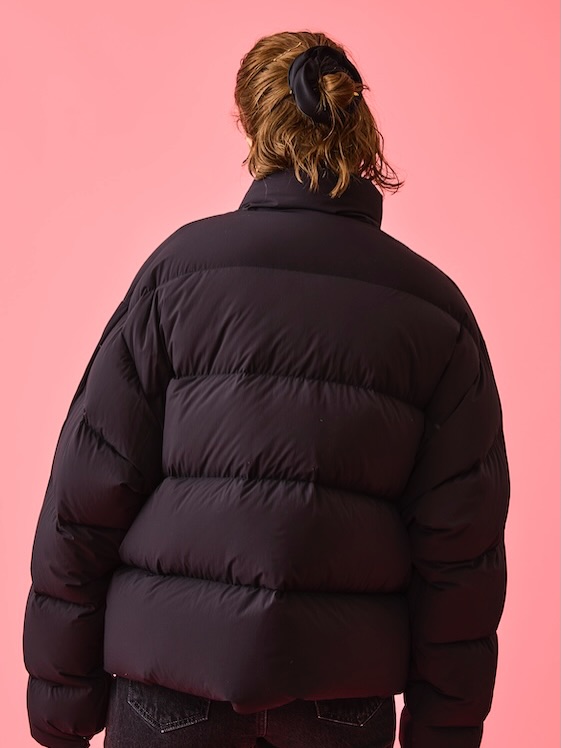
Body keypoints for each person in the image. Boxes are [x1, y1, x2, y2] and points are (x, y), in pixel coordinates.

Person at [22, 30, 510, 748]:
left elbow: (86, 496)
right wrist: (446, 728)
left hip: (171, 685)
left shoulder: (178, 275)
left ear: (252, 126)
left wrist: (63, 705)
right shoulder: (435, 311)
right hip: (340, 697)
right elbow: (461, 549)